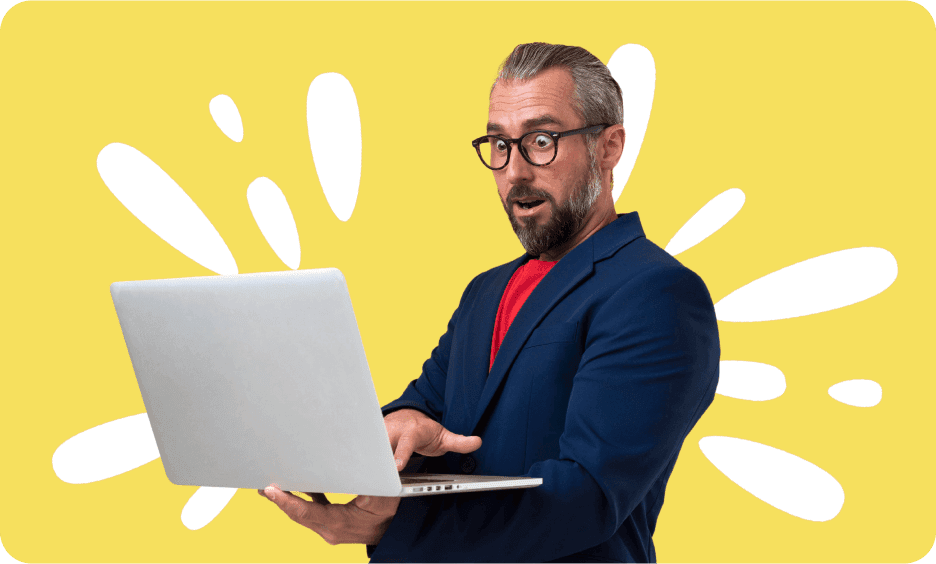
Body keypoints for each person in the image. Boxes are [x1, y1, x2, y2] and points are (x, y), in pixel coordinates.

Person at [260, 43, 720, 564]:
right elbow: (425, 406)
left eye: (541, 141)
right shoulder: (486, 291)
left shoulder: (656, 294)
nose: (515, 171)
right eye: (499, 144)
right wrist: (390, 436)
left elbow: (585, 497)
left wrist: (392, 525)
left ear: (609, 146)